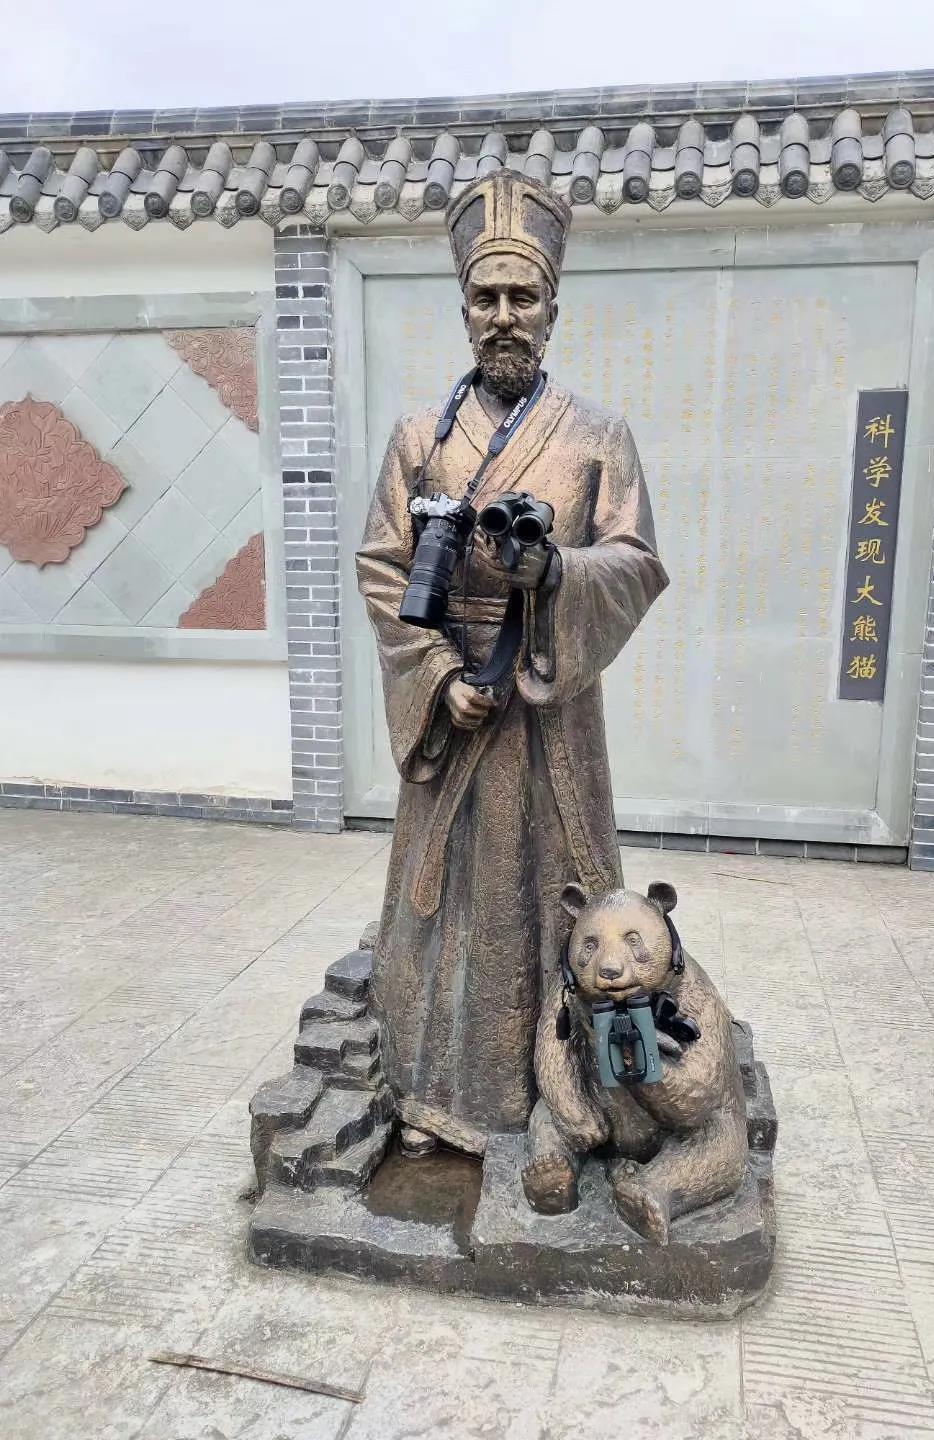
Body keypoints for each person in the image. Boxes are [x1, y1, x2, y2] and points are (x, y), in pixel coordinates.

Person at [356, 168, 668, 1157]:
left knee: (556, 889)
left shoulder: (598, 436)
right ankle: (435, 1091)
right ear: (464, 311)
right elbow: (382, 566)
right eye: (485, 298)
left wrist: (556, 571)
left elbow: (636, 561)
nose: (503, 316)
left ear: (552, 310)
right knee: (454, 905)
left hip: (552, 708)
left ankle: (579, 1091)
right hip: (457, 706)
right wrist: (438, 675)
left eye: (521, 297)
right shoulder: (420, 440)